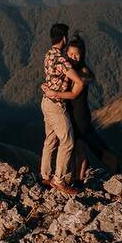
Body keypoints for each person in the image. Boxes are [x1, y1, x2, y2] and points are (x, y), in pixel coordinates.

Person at [44, 34, 120, 183]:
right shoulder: (71, 69)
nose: (73, 57)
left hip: (79, 116)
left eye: (76, 55)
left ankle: (79, 179)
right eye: (70, 54)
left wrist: (54, 93)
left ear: (82, 55)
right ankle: (76, 177)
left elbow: (73, 94)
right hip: (72, 114)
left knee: (81, 148)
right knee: (78, 147)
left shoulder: (83, 73)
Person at [39, 23, 82, 195]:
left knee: (51, 140)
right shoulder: (62, 60)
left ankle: (46, 175)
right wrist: (66, 94)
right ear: (64, 38)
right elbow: (78, 82)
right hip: (56, 105)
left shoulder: (49, 55)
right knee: (68, 141)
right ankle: (60, 180)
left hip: (45, 102)